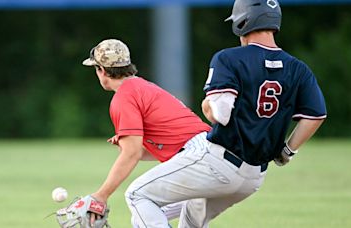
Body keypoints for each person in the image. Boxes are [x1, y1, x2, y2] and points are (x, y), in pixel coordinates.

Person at [125, 0, 327, 227]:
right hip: (254, 177)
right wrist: (287, 150)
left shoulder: (229, 58)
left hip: (218, 162)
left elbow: (219, 114)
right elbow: (315, 115)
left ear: (243, 22)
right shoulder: (298, 68)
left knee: (138, 195)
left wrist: (206, 105)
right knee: (191, 218)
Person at [80, 38, 211, 227]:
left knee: (136, 195)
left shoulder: (124, 96)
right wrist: (135, 149)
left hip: (197, 155)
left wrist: (101, 195)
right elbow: (143, 150)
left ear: (102, 70)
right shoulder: (142, 86)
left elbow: (131, 154)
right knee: (145, 215)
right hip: (208, 153)